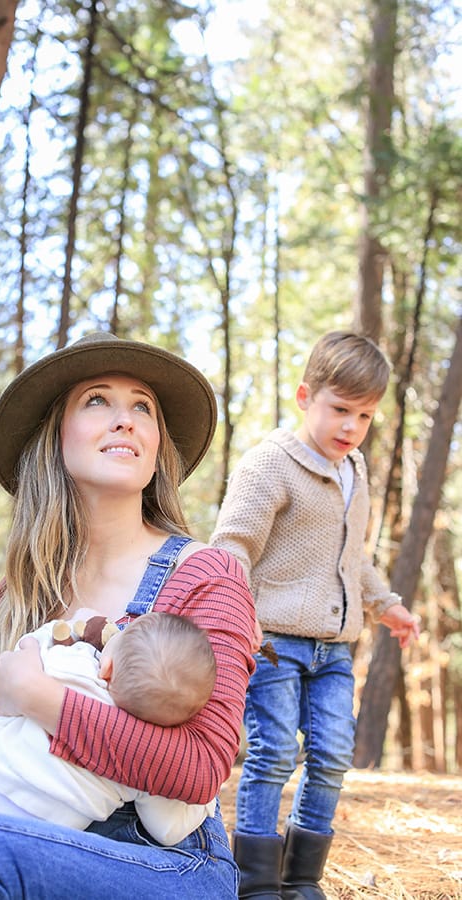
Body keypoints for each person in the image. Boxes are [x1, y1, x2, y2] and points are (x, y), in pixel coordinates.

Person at [0, 330, 257, 899]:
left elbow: (201, 768)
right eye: (97, 399)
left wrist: (46, 700)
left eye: (142, 406)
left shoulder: (207, 576)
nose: (125, 419)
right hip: (25, 835)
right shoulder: (26, 587)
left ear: (157, 444)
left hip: (166, 866)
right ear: (55, 438)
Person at [210, 331, 420, 900]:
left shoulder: (355, 474)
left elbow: (355, 560)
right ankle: (254, 878)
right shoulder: (269, 465)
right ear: (306, 396)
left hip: (335, 649)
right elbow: (230, 546)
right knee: (274, 750)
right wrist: (238, 619)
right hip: (273, 641)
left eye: (365, 415)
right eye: (339, 409)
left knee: (331, 753)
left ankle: (301, 879)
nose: (350, 427)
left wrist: (388, 606)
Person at [0, 609, 219, 846]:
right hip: (21, 833)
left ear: (109, 665)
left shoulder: (78, 666)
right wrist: (204, 804)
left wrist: (81, 627)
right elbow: (166, 830)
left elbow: (35, 642)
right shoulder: (143, 769)